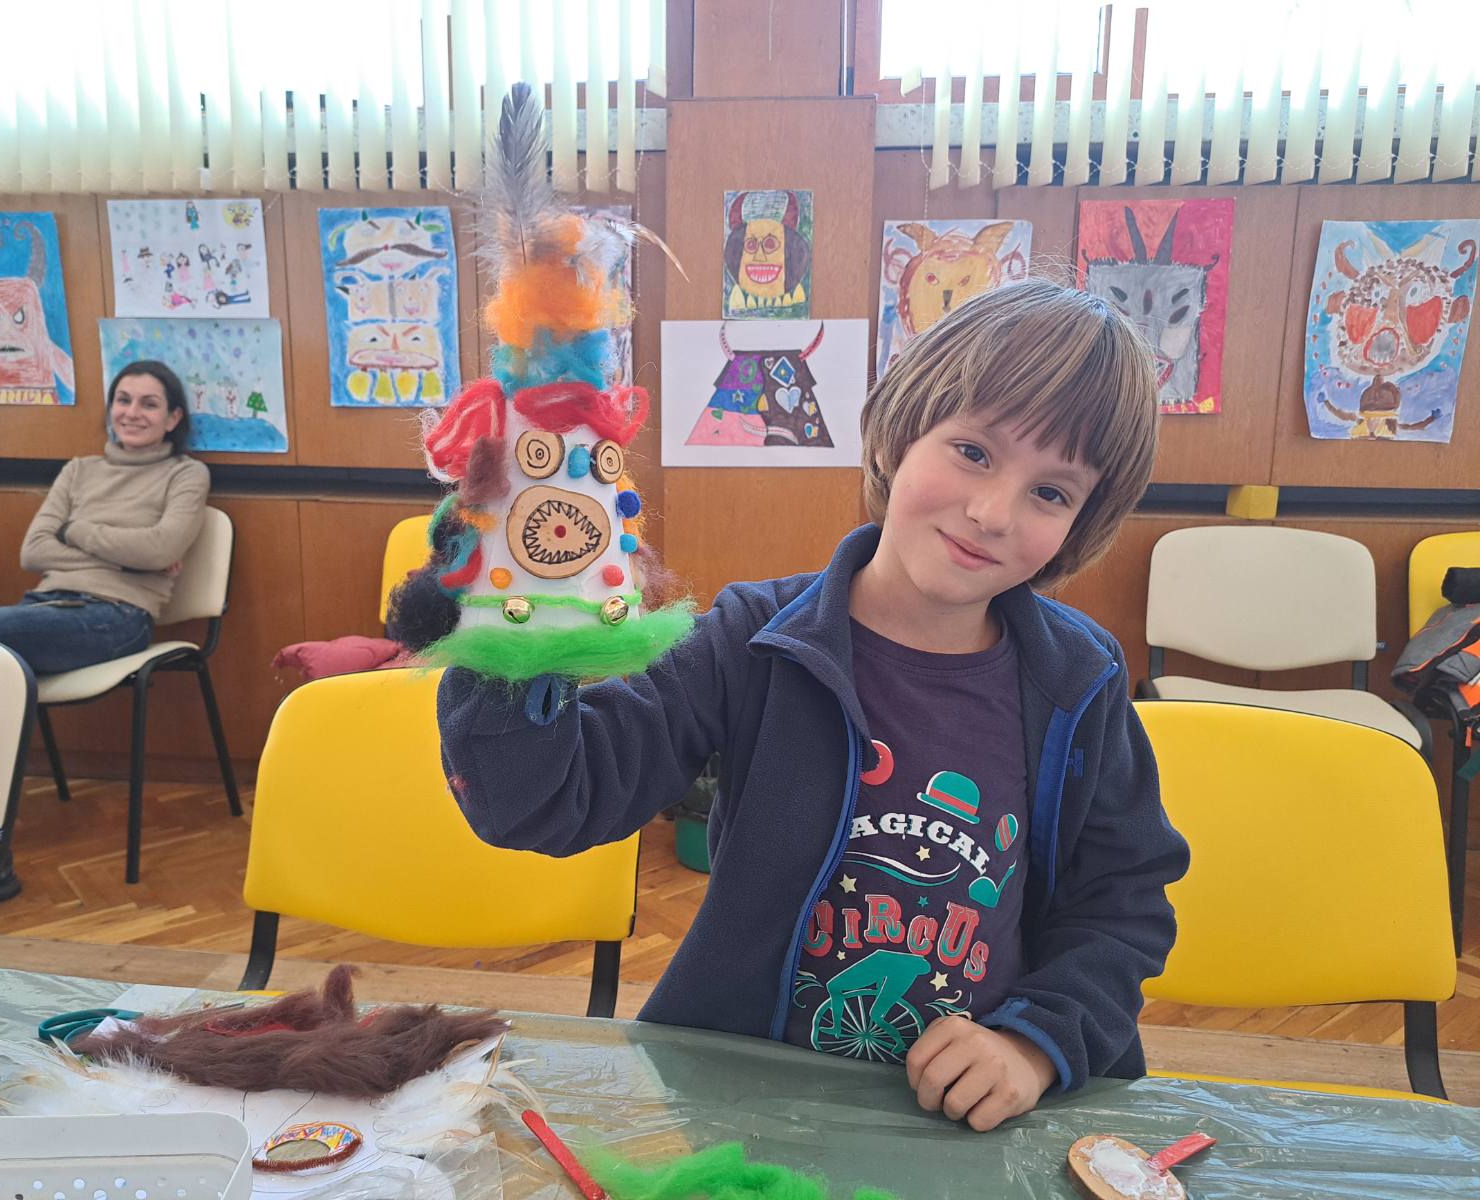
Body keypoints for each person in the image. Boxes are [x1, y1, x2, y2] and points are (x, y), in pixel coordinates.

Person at [432, 280, 1189, 1133]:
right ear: (901, 434)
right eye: (973, 451)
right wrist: (513, 624)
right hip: (744, 1105)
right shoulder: (752, 638)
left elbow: (1122, 900)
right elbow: (537, 800)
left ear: (1083, 522)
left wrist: (1036, 1042)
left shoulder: (1079, 677)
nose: (991, 513)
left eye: (1051, 493)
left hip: (971, 1125)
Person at [0, 359, 210, 913]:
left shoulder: (185, 475)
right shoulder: (79, 470)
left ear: (173, 418)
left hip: (114, 618)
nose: (133, 413)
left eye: (149, 404)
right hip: (45, 611)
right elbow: (33, 551)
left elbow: (161, 549)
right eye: (124, 400)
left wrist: (75, 532)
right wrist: (126, 550)